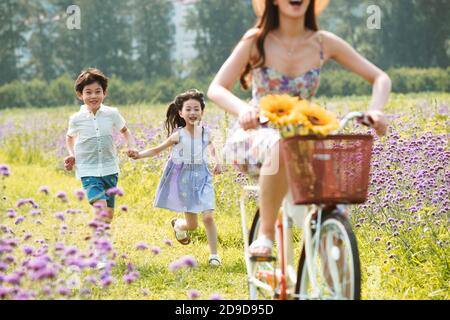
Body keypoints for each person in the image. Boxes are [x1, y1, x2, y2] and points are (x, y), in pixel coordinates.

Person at [207, 0, 391, 257]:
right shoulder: (256, 40)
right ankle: (266, 233)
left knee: (334, 202)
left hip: (303, 136)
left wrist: (376, 109)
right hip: (256, 133)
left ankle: (332, 281)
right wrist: (243, 110)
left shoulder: (323, 43)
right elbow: (216, 87)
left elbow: (380, 77)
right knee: (281, 146)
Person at [129, 89, 223, 266]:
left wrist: (217, 162)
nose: (193, 113)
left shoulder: (207, 133)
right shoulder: (178, 135)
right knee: (192, 225)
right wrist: (139, 154)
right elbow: (157, 150)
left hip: (203, 177)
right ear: (181, 113)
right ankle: (179, 225)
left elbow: (212, 148)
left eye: (196, 109)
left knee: (208, 217)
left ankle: (214, 256)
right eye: (188, 109)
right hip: (184, 180)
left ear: (202, 112)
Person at [65, 68, 137, 224]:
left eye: (98, 91)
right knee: (101, 209)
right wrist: (72, 154)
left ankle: (101, 240)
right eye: (88, 92)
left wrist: (131, 146)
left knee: (108, 216)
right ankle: (98, 246)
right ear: (80, 94)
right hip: (88, 170)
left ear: (104, 93)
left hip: (110, 169)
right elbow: (70, 137)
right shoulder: (76, 118)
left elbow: (125, 131)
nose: (93, 96)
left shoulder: (112, 113)